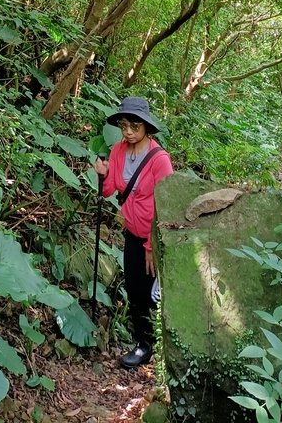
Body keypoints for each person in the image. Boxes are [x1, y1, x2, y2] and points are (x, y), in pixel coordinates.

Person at [94, 96, 173, 369]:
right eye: (124, 125)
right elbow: (108, 191)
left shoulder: (159, 160)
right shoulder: (117, 151)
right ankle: (144, 345)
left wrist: (152, 245)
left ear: (146, 128)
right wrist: (102, 174)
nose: (128, 131)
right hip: (131, 234)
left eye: (134, 126)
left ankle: (164, 347)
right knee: (135, 291)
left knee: (154, 294)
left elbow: (166, 205)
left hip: (154, 239)